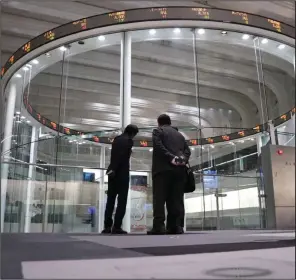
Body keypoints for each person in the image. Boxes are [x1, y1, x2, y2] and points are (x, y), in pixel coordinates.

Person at [148, 114, 191, 235]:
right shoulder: (180, 135)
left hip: (162, 170)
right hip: (179, 171)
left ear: (158, 122)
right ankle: (175, 226)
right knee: (176, 199)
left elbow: (158, 146)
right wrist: (181, 160)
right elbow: (188, 151)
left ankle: (159, 226)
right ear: (170, 122)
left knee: (159, 199)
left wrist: (171, 158)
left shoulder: (158, 131)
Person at [101, 124, 139, 234]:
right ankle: (117, 226)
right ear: (132, 133)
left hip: (112, 173)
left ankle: (107, 226)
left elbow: (115, 156)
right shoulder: (129, 141)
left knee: (110, 201)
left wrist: (112, 169)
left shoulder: (116, 139)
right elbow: (122, 157)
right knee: (122, 201)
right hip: (122, 174)